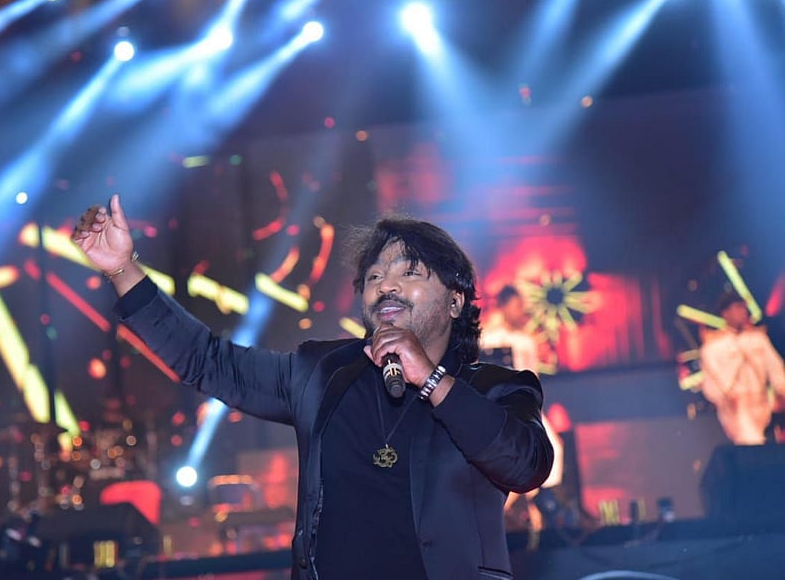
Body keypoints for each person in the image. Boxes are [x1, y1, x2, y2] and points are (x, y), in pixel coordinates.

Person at [73, 195, 554, 579]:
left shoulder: (497, 389)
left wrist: (430, 378)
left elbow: (526, 465)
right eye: (374, 276)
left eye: (409, 272)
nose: (386, 285)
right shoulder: (323, 374)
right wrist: (122, 271)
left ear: (454, 301)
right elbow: (207, 361)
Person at [480, 285, 564, 537]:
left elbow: (533, 375)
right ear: (504, 306)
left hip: (524, 403)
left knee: (551, 449)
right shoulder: (488, 335)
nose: (521, 311)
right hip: (496, 402)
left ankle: (518, 504)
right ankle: (500, 507)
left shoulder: (527, 340)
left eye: (521, 306)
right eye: (515, 305)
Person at [700, 293, 785, 445]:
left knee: (760, 441)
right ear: (725, 313)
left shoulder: (758, 340)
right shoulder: (714, 347)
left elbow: (776, 369)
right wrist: (725, 398)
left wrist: (781, 390)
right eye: (738, 308)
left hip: (760, 402)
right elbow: (710, 382)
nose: (744, 312)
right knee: (750, 441)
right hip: (735, 406)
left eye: (744, 308)